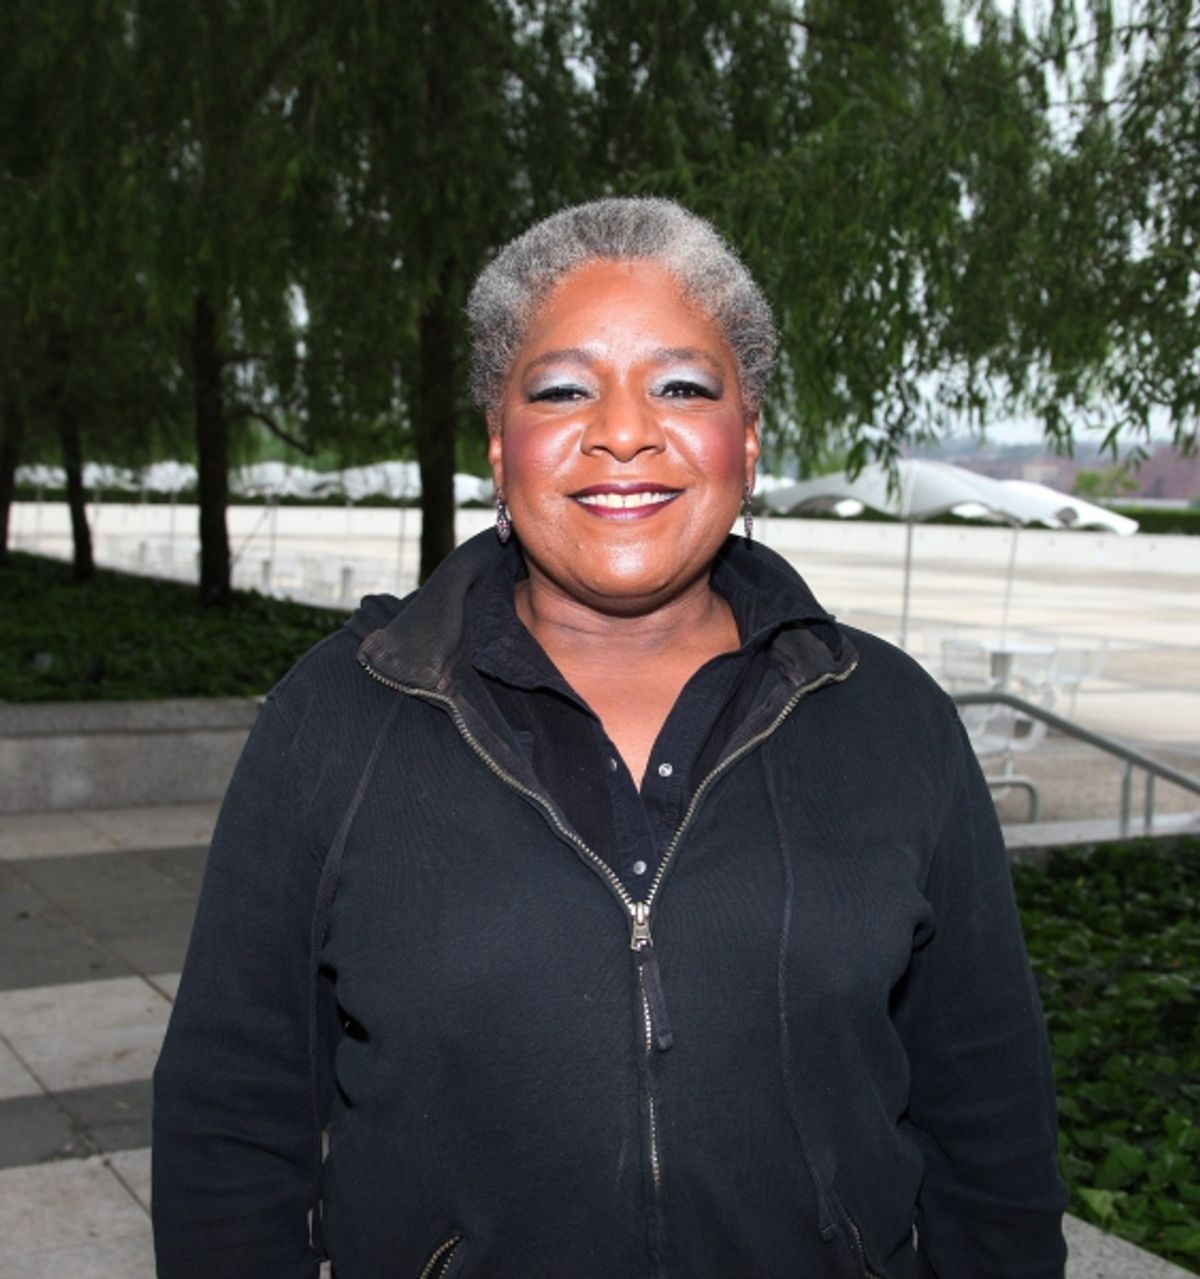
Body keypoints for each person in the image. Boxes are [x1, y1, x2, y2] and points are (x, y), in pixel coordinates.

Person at [152, 197, 1067, 1278]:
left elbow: (989, 1118)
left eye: (682, 386)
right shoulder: (340, 716)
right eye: (562, 389)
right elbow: (232, 1118)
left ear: (749, 438)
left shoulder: (890, 716)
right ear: (500, 445)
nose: (624, 430)